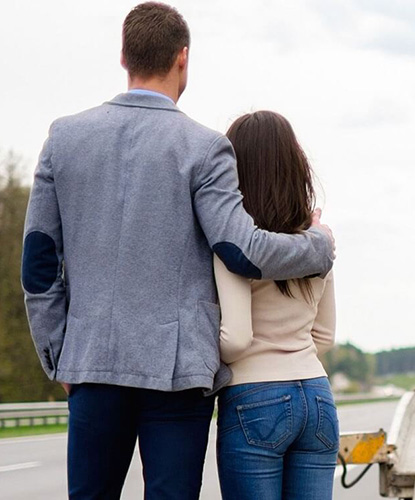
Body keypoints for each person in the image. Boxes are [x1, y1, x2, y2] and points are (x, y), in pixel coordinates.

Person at [19, 3, 335, 499]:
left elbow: (38, 265)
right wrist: (318, 246)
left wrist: (57, 355)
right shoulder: (203, 147)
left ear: (123, 57)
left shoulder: (64, 138)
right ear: (183, 58)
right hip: (177, 375)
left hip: (91, 362)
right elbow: (242, 251)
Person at [214, 111, 339, 500]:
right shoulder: (318, 242)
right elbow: (325, 335)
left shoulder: (233, 246)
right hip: (317, 396)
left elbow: (236, 340)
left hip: (253, 399)